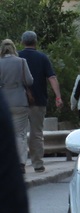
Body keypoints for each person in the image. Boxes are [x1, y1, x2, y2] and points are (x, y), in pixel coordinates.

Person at [18, 31, 63, 173]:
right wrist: (58, 97)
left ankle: (21, 164)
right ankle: (37, 164)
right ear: (35, 42)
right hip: (38, 101)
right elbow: (52, 78)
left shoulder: (17, 57)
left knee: (20, 133)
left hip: (19, 101)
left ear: (22, 42)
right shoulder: (42, 58)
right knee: (36, 133)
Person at [0, 39, 33, 174]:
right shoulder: (21, 62)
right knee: (20, 134)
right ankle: (20, 163)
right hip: (20, 101)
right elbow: (29, 81)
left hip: (3, 103)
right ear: (14, 48)